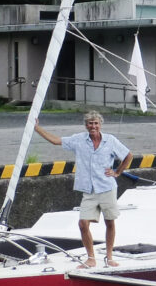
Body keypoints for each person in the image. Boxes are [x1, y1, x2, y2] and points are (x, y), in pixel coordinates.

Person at [34, 111, 132, 268]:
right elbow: (56, 141)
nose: (93, 126)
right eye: (90, 123)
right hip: (89, 190)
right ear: (86, 125)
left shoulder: (110, 140)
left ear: (100, 124)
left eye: (95, 123)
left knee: (110, 223)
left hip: (107, 187)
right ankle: (91, 258)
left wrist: (117, 172)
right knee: (83, 224)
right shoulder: (78, 140)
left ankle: (109, 257)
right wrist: (37, 128)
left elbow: (128, 155)